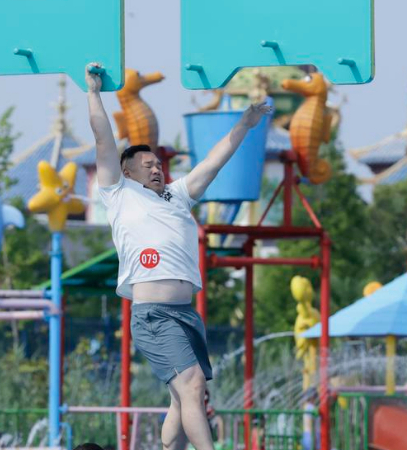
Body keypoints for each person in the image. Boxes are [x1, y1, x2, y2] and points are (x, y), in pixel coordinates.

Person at [86, 62, 271, 450]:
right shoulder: (118, 193)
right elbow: (103, 139)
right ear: (126, 171)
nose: (157, 169)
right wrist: (94, 93)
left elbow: (215, 161)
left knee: (183, 398)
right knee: (192, 385)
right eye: (147, 165)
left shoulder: (177, 195)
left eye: (159, 164)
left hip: (186, 313)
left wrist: (244, 124)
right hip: (153, 315)